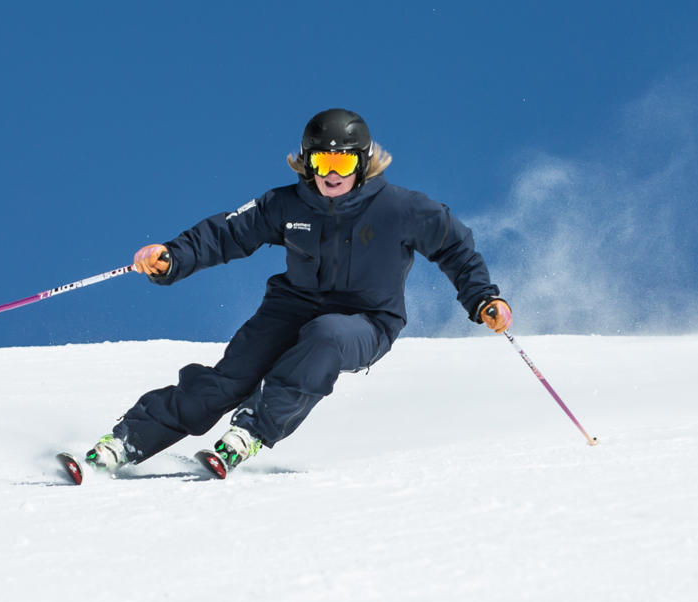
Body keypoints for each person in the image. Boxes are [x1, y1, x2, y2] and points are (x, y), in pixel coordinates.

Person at [84, 108, 512, 473]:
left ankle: (251, 431)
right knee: (229, 381)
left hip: (367, 320)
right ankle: (126, 441)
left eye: (343, 165)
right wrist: (172, 257)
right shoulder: (286, 204)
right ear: (306, 162)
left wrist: (483, 298)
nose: (330, 174)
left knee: (326, 337)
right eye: (321, 162)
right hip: (291, 307)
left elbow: (455, 247)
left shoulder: (401, 208)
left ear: (363, 164)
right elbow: (226, 234)